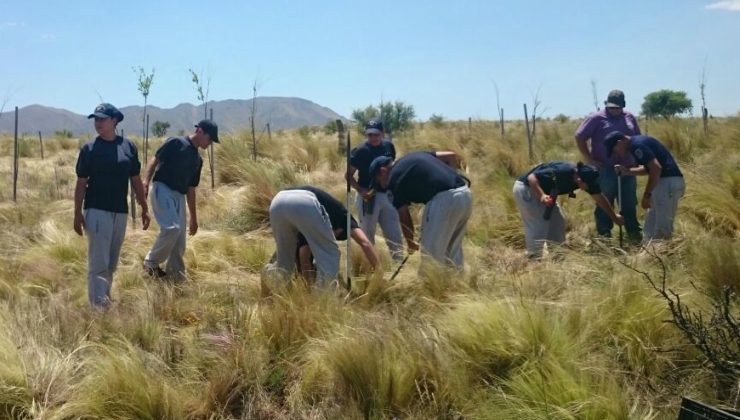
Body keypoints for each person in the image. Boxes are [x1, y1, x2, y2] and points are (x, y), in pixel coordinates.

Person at [74, 103, 150, 309]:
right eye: (95, 119)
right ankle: (98, 309)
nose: (97, 123)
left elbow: (135, 179)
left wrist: (144, 207)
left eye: (102, 119)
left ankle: (104, 299)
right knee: (98, 262)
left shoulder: (128, 147)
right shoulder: (89, 149)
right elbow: (81, 183)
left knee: (112, 262)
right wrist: (77, 213)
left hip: (120, 211)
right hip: (97, 209)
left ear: (114, 121)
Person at [369, 151, 472, 276]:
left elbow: (404, 216)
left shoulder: (394, 180)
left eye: (378, 181)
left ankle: (429, 290)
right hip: (465, 194)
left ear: (383, 171)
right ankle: (457, 288)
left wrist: (410, 242)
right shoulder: (414, 155)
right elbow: (451, 155)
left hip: (444, 201)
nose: (382, 186)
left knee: (430, 256)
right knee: (452, 251)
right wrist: (448, 177)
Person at [142, 120, 219, 281]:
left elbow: (191, 189)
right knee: (171, 229)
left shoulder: (198, 160)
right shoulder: (176, 142)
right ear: (200, 131)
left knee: (179, 241)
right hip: (162, 188)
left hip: (179, 196)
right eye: (210, 139)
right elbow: (155, 159)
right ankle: (151, 263)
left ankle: (175, 276)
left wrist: (194, 218)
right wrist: (145, 181)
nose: (210, 143)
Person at [265, 186, 379, 286]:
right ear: (339, 230)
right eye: (336, 237)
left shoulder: (311, 225)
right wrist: (380, 272)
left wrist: (308, 288)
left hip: (277, 202)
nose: (333, 237)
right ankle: (326, 299)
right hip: (304, 201)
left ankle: (270, 284)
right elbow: (365, 242)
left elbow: (304, 256)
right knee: (330, 254)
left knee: (284, 260)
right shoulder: (344, 218)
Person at [513, 161, 624, 257]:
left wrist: (614, 217)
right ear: (579, 179)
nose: (588, 188)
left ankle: (558, 255)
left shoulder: (588, 179)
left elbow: (600, 199)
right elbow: (532, 178)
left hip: (547, 194)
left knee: (558, 221)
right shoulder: (562, 172)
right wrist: (542, 195)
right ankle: (534, 258)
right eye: (587, 185)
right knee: (538, 224)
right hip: (527, 188)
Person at [575, 89, 642, 241]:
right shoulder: (596, 118)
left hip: (628, 168)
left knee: (629, 202)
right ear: (606, 105)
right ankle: (604, 236)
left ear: (623, 106)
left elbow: (637, 138)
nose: (614, 110)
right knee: (605, 201)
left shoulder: (630, 117)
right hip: (605, 169)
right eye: (611, 107)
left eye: (618, 107)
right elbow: (580, 136)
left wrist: (637, 161)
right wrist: (589, 159)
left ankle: (633, 233)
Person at [605, 131, 685, 241]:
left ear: (620, 142)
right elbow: (649, 169)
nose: (617, 153)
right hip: (661, 183)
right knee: (649, 228)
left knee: (662, 227)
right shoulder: (637, 143)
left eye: (615, 149)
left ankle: (660, 254)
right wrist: (627, 171)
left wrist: (647, 195)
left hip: (667, 183)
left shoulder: (637, 145)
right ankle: (648, 254)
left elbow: (656, 168)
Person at [345, 119, 404, 262]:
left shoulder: (389, 146)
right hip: (368, 198)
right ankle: (370, 267)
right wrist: (360, 189)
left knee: (394, 233)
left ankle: (399, 265)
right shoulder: (360, 151)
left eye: (376, 134)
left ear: (382, 134)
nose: (373, 138)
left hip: (388, 196)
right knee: (368, 234)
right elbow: (348, 175)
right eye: (370, 134)